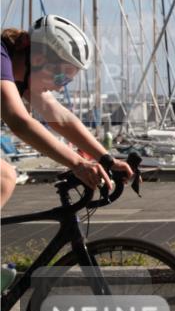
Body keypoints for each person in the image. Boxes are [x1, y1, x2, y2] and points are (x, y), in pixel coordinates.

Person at [1, 15, 132, 208]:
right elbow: (20, 122)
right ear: (37, 59)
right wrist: (78, 164)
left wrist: (107, 159)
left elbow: (60, 117)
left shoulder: (24, 76)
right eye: (61, 78)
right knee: (4, 177)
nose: (61, 88)